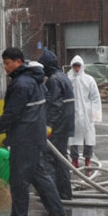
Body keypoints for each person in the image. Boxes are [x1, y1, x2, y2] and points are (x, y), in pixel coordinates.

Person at [0, 47, 67, 216]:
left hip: (24, 138)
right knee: (39, 176)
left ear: (18, 62)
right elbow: (46, 101)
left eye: (7, 63)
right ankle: (57, 211)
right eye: (4, 63)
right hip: (34, 136)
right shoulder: (35, 80)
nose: (5, 67)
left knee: (19, 179)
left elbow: (12, 112)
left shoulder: (21, 84)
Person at [38, 50, 75, 200]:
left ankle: (51, 196)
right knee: (61, 159)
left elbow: (55, 105)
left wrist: (49, 125)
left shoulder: (53, 80)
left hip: (57, 127)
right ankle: (65, 193)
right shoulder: (64, 77)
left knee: (50, 159)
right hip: (66, 126)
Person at [67, 55, 102, 172]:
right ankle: (74, 160)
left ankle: (88, 160)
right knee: (73, 138)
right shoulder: (68, 79)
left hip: (87, 113)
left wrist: (95, 114)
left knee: (89, 137)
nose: (76, 68)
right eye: (75, 66)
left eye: (78, 66)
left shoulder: (89, 80)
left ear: (82, 66)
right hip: (73, 112)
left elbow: (95, 97)